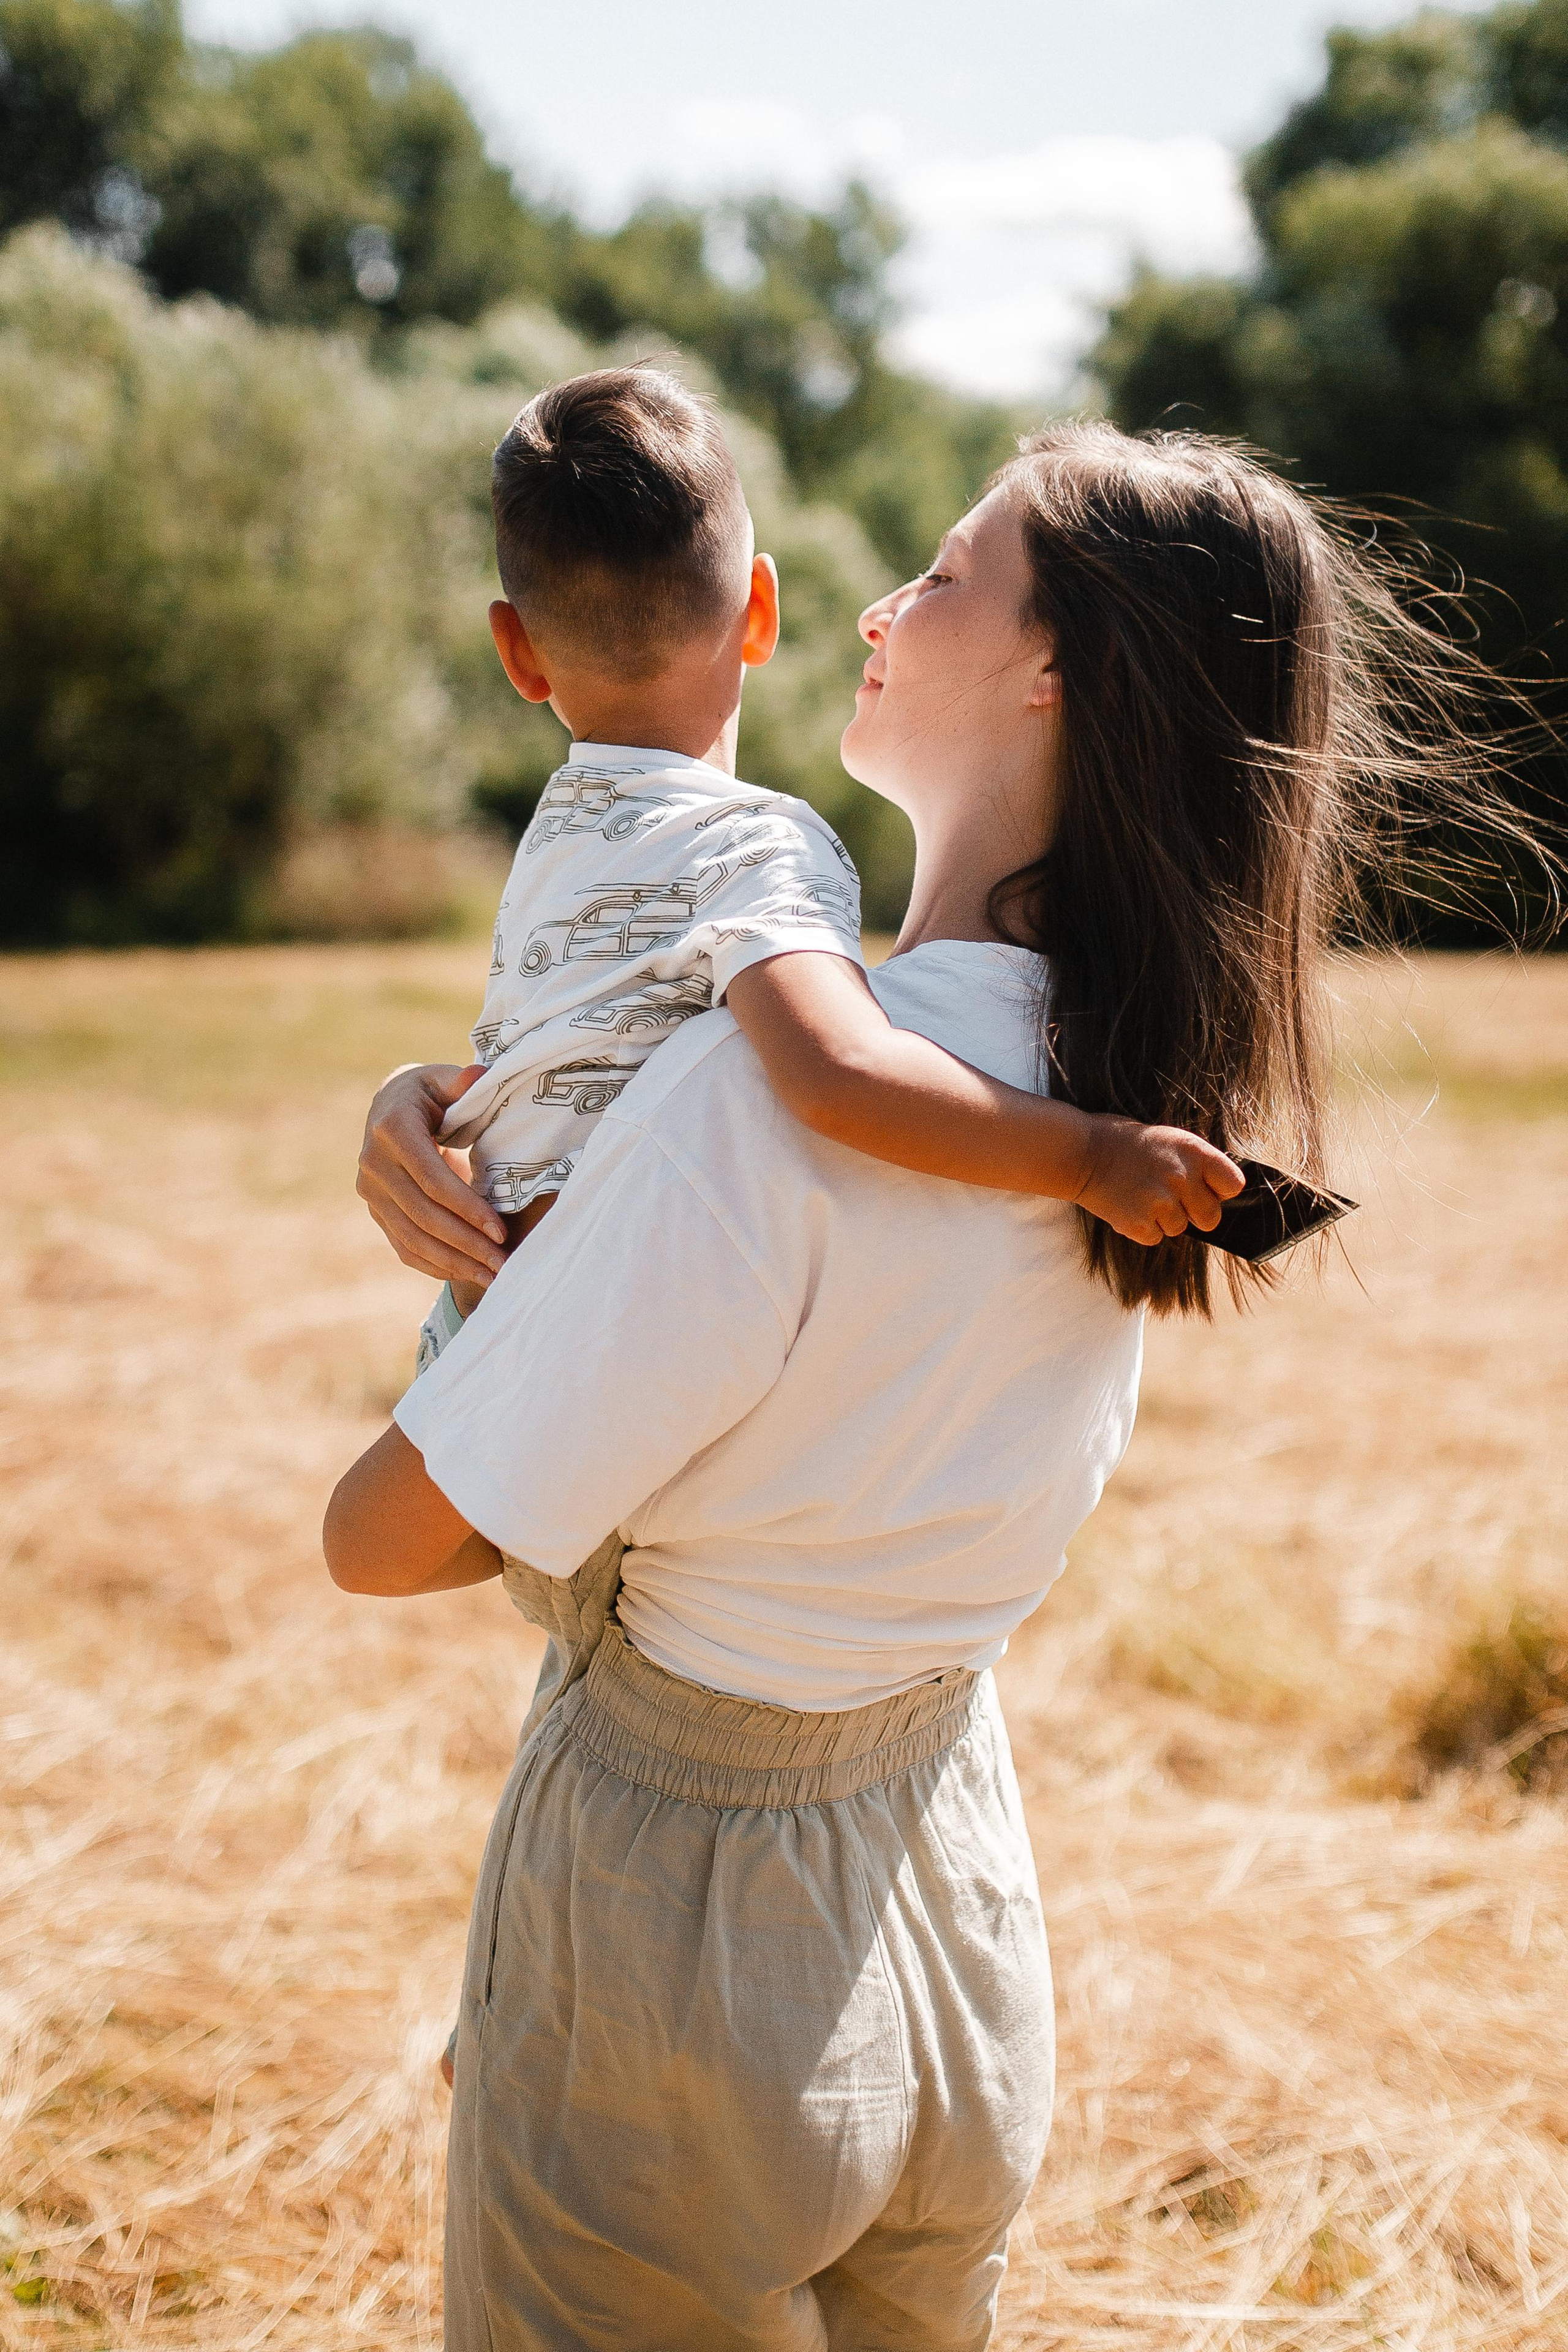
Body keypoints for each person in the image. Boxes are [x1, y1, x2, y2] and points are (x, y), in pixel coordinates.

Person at [329, 421, 1539, 2350]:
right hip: (959, 1907)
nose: (879, 609)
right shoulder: (1135, 1098)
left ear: (1058, 669)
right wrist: (458, 1108)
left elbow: (392, 1541)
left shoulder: (761, 1108)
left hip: (682, 1958)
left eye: (949, 573)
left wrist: (488, 1276)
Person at [366, 364, 1242, 1387]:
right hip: (584, 1331)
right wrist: (1089, 1157)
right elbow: (838, 1072)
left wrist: (417, 1095)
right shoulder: (756, 846)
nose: (880, 613)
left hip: (472, 1323)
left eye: (941, 578)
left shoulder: (557, 834)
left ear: (517, 654)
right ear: (761, 609)